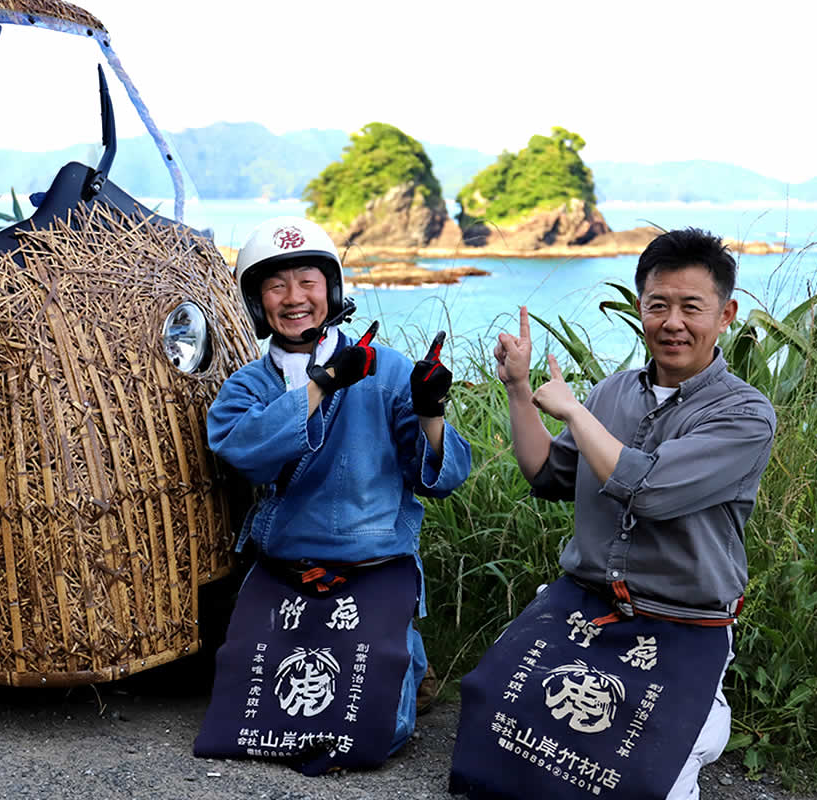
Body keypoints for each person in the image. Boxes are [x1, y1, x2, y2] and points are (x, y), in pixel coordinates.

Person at [449, 228, 776, 800]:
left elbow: (646, 490)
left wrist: (574, 410)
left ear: (726, 314)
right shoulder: (613, 392)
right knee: (489, 730)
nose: (672, 322)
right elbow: (546, 475)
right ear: (640, 308)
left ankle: (705, 722)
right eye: (658, 305)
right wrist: (520, 389)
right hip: (586, 606)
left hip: (679, 623)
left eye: (691, 307)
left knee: (649, 778)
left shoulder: (745, 414)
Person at [193, 216, 471, 775]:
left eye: (308, 282)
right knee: (240, 726)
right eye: (276, 286)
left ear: (332, 289)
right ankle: (403, 661)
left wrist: (431, 411)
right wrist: (323, 383)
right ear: (256, 301)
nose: (294, 298)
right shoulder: (248, 384)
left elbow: (440, 476)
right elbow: (242, 449)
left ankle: (404, 658)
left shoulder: (387, 369)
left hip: (373, 569)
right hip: (283, 569)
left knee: (377, 733)